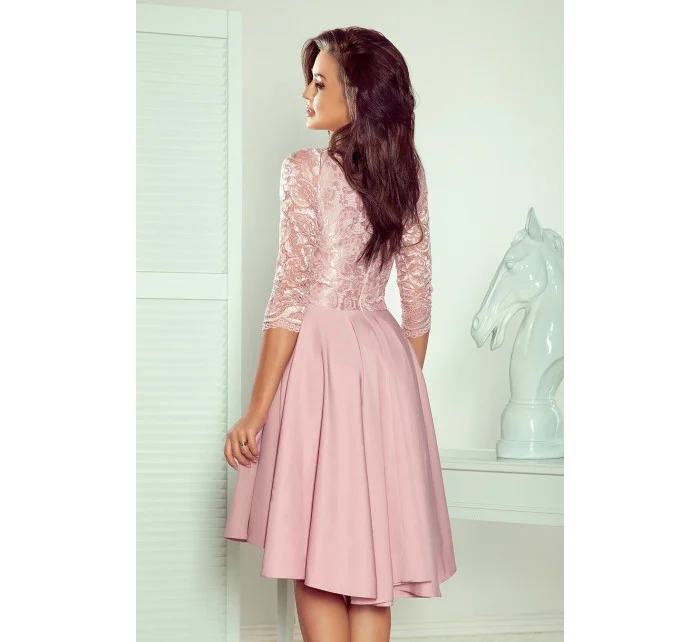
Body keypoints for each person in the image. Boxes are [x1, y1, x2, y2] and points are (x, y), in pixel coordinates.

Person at [223, 26, 456, 642]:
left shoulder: (304, 170)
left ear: (359, 95)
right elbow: (419, 298)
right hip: (386, 361)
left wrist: (256, 412)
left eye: (319, 82)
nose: (306, 93)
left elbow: (289, 296)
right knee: (370, 561)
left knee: (317, 554)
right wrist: (397, 394)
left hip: (319, 360)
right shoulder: (406, 174)